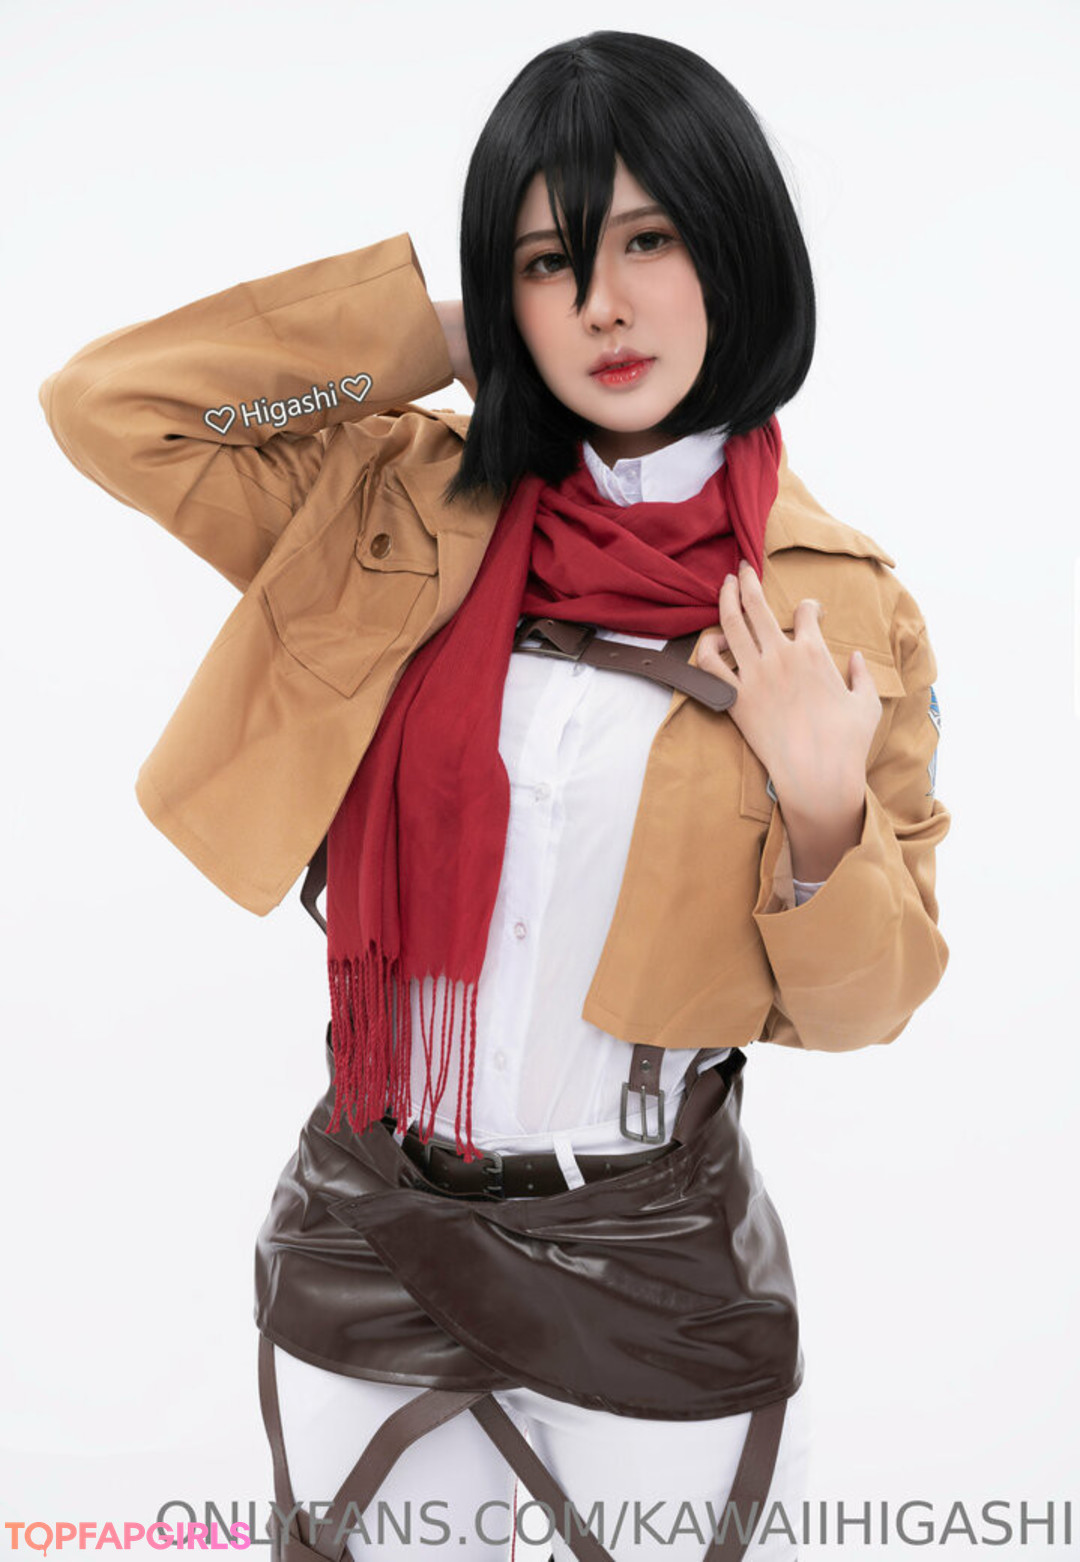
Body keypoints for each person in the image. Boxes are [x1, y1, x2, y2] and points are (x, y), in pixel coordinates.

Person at [37, 30, 949, 1562]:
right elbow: (109, 404)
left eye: (648, 240)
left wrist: (820, 817)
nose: (602, 302)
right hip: (372, 1214)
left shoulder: (835, 607)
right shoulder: (390, 501)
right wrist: (425, 332)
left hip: (645, 1244)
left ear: (735, 246)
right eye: (548, 260)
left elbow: (875, 1004)